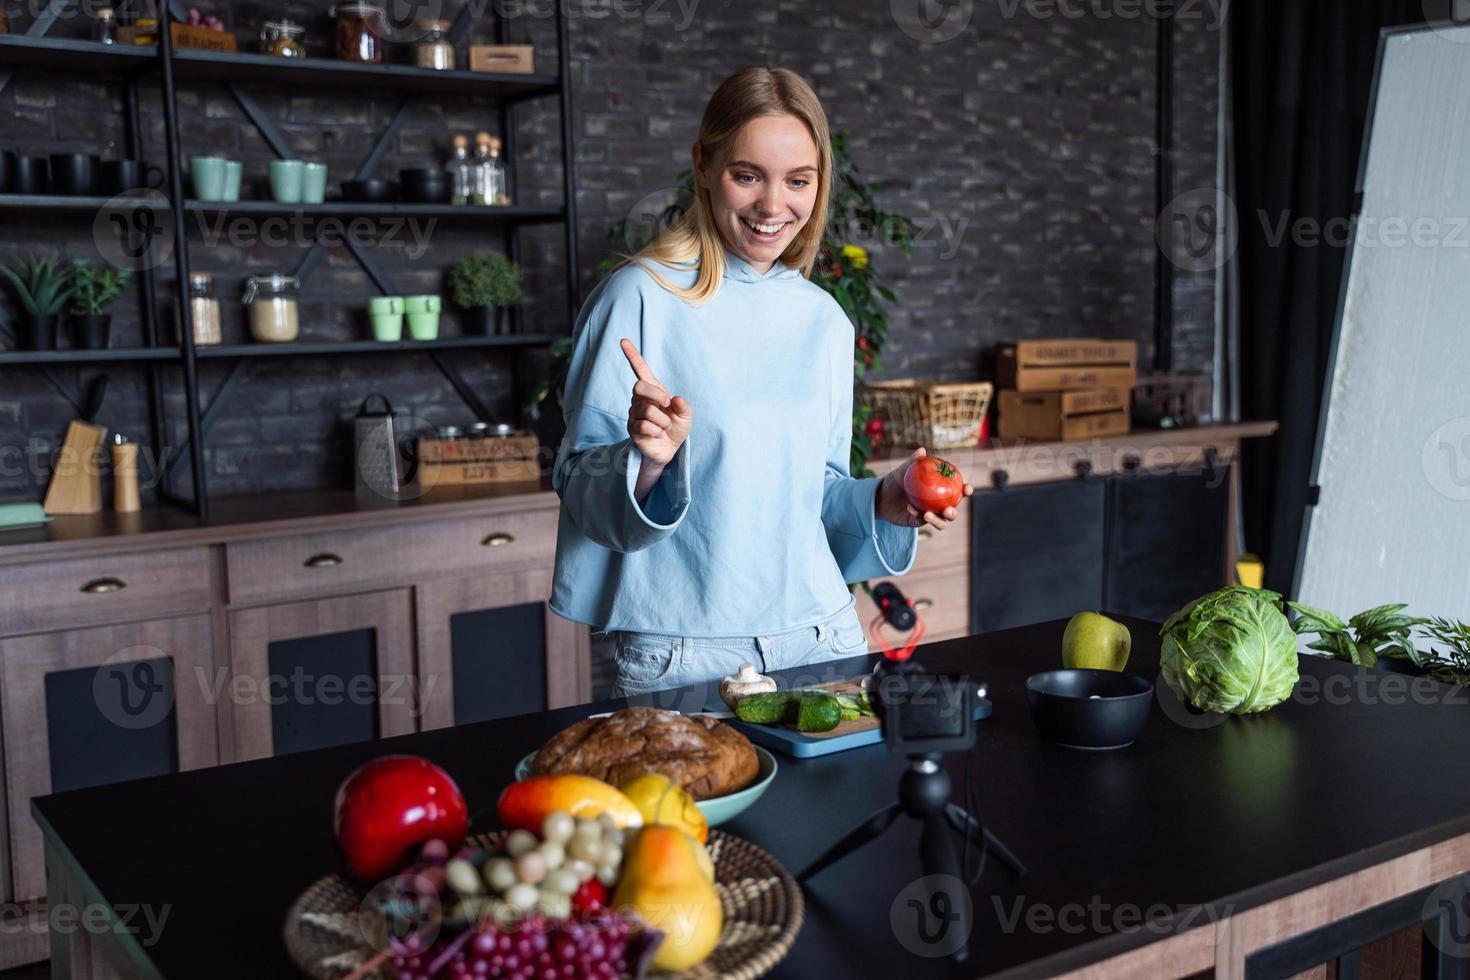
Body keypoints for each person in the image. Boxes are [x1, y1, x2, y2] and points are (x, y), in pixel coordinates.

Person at [550, 65, 971, 698]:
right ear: (702, 165)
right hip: (685, 654)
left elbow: (815, 497)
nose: (774, 206)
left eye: (797, 181)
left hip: (823, 639)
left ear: (818, 185)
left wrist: (883, 502)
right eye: (747, 175)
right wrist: (648, 463)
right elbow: (579, 485)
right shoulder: (639, 297)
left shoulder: (823, 319)